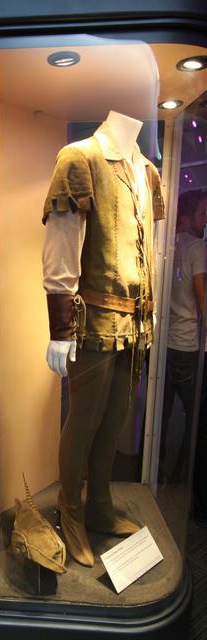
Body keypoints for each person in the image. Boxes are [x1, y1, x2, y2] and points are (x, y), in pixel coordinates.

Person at [42, 110, 164, 566]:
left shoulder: (146, 170)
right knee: (84, 421)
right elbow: (61, 245)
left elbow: (147, 249)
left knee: (115, 420)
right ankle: (70, 511)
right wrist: (59, 329)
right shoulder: (79, 158)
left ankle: (99, 506)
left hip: (135, 322)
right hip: (92, 320)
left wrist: (150, 309)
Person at [159, 189, 207, 485]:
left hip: (164, 344)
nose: (206, 220)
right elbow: (203, 299)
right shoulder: (198, 248)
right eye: (202, 214)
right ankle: (181, 477)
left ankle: (154, 472)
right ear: (187, 217)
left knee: (160, 414)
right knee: (196, 415)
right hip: (187, 345)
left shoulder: (168, 244)